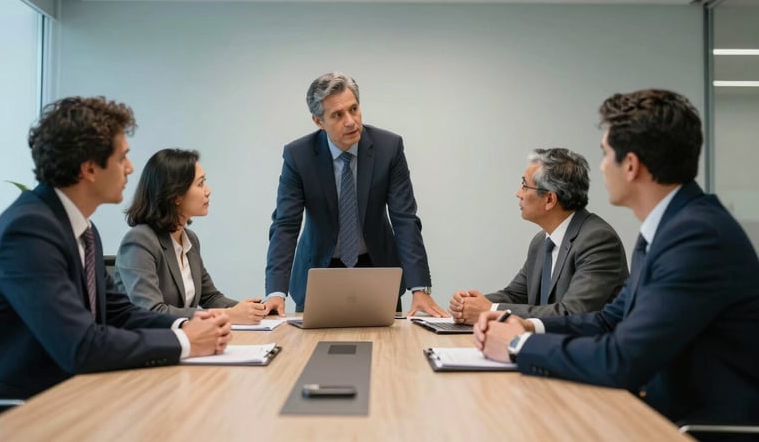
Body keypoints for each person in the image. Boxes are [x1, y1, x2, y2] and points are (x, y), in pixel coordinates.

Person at [474, 89, 759, 427]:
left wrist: (519, 345)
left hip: (696, 429)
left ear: (632, 166)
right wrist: (528, 325)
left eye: (606, 154)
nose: (602, 166)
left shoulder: (696, 237)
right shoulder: (670, 227)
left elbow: (622, 359)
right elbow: (609, 320)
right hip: (660, 414)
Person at [0, 97, 232, 400]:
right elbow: (81, 345)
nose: (130, 168)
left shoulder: (84, 230)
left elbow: (120, 314)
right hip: (27, 406)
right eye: (122, 158)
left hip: (75, 392)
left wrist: (188, 322)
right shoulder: (28, 231)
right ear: (90, 169)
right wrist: (185, 341)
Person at [263, 72, 447, 316]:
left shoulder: (388, 148)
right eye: (337, 115)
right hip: (319, 269)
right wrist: (276, 292)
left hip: (377, 267)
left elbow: (405, 220)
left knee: (387, 349)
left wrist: (419, 287)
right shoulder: (299, 156)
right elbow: (286, 225)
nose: (350, 121)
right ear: (318, 121)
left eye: (354, 109)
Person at [449, 148, 628, 323]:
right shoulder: (541, 242)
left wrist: (489, 310)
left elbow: (573, 313)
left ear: (549, 199)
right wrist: (469, 303)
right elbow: (516, 295)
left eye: (524, 186)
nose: (518, 194)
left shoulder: (598, 240)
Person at [115, 149, 266, 324]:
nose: (208, 191)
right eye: (200, 184)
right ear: (176, 195)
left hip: (180, 343)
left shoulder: (190, 239)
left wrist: (256, 310)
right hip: (145, 345)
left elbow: (211, 297)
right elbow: (152, 311)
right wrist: (229, 316)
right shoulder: (140, 241)